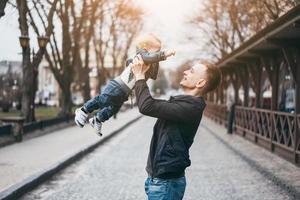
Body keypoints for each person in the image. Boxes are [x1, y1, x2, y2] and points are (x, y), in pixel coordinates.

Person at [131, 56, 221, 200]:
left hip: (166, 183)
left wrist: (140, 76)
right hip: (159, 180)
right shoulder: (183, 104)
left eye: (191, 71)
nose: (185, 72)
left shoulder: (190, 108)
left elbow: (146, 106)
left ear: (200, 82)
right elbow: (150, 104)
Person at [74, 33, 175, 135]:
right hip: (117, 86)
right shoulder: (141, 56)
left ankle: (98, 120)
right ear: (145, 47)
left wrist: (157, 60)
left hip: (124, 92)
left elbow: (153, 75)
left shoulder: (148, 64)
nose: (158, 52)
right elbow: (150, 57)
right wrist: (163, 54)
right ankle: (83, 110)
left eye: (159, 50)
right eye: (156, 50)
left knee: (113, 109)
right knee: (104, 100)